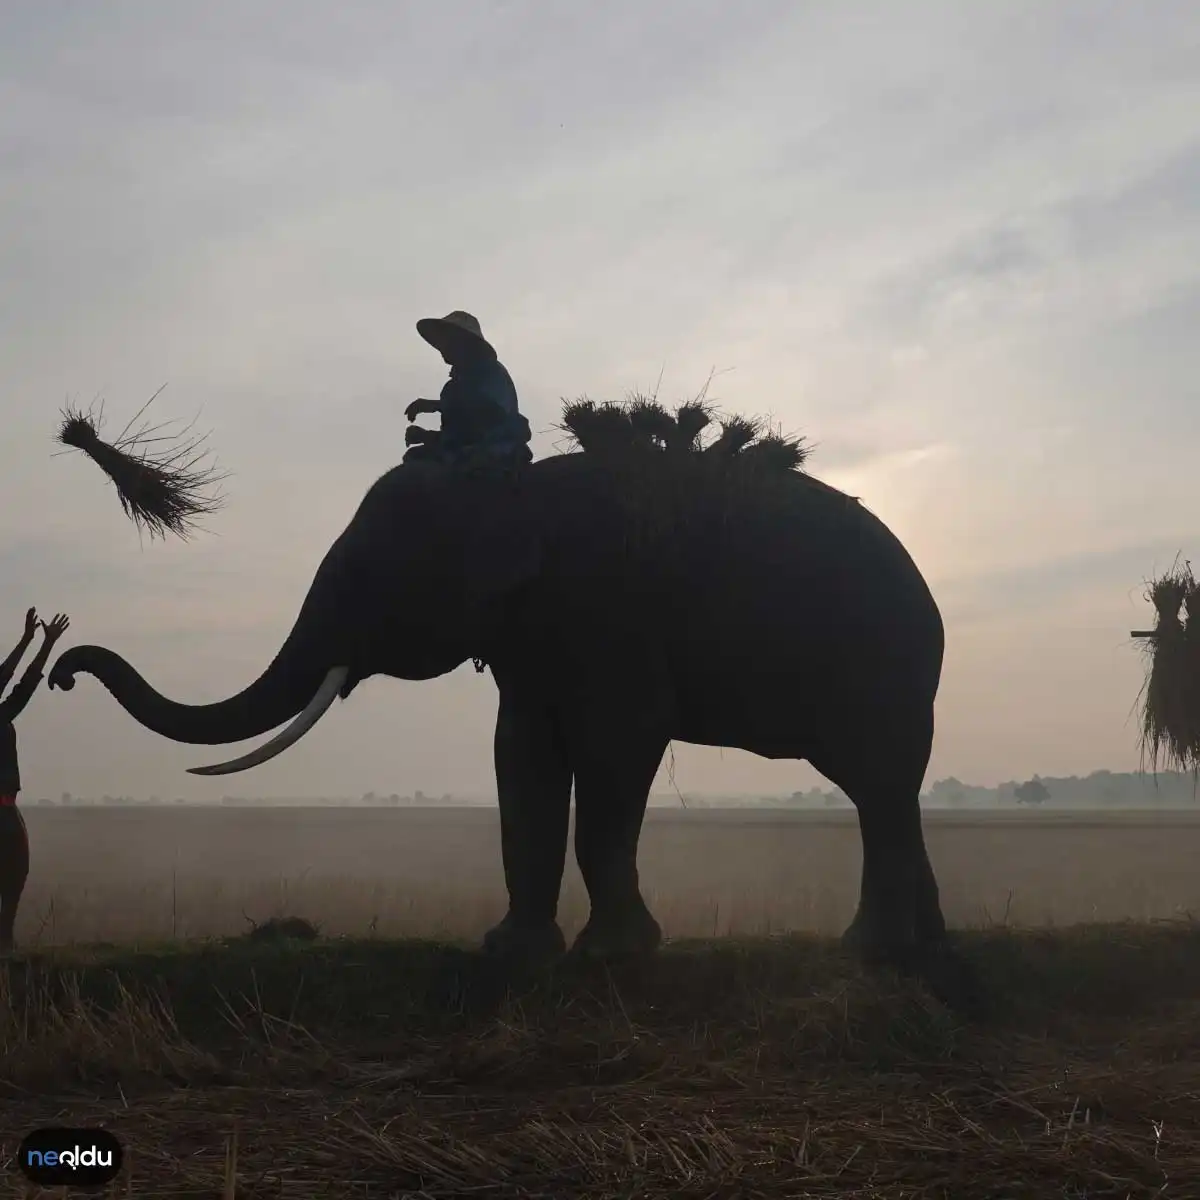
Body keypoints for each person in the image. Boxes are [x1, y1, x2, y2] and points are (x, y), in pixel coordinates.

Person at [0, 608, 70, 950]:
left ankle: (5, 939)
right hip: (5, 813)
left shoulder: (2, 715)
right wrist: (34, 642)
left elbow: (22, 685)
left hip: (7, 811)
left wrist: (39, 643)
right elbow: (16, 681)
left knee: (14, 876)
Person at [404, 311, 533, 470]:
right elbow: (458, 437)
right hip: (465, 452)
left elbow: (491, 412)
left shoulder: (490, 371)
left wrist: (438, 405)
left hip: (497, 450)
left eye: (450, 339)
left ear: (466, 343)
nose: (444, 345)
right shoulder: (453, 386)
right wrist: (426, 436)